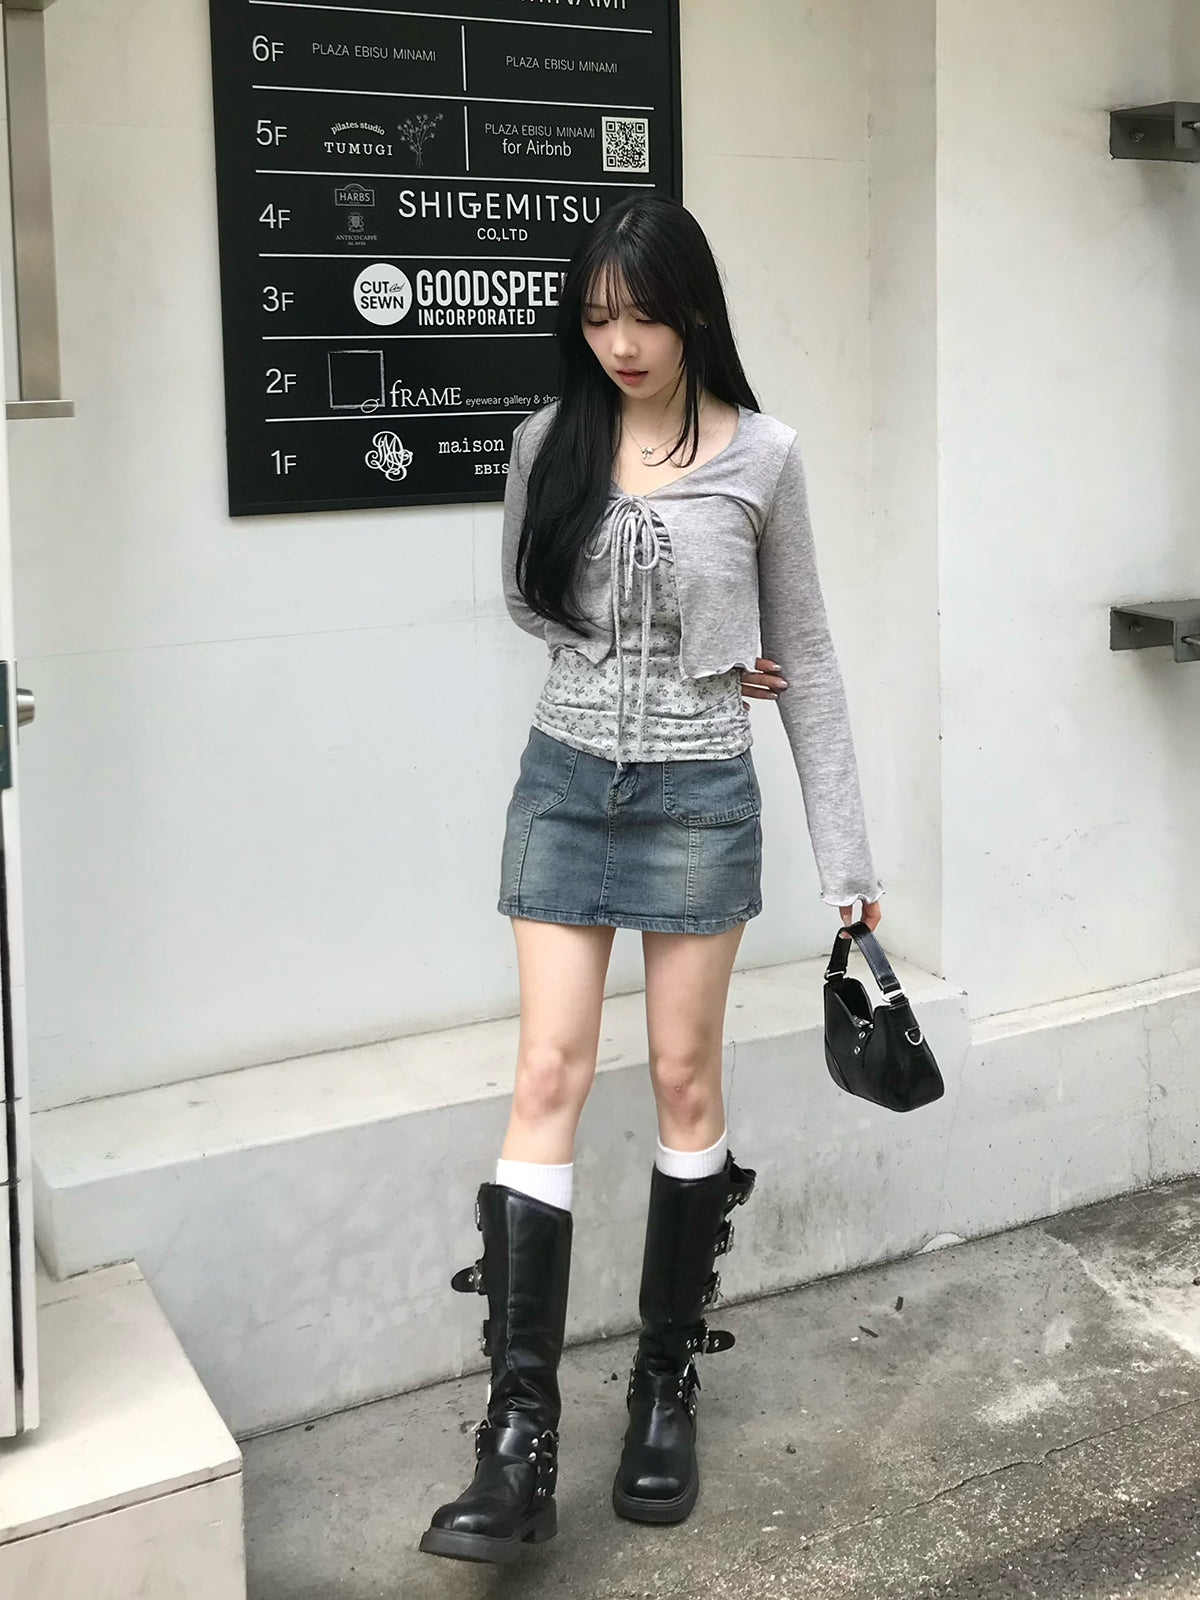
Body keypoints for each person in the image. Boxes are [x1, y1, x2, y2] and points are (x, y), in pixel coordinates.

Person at [419, 192, 882, 1566]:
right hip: (565, 784)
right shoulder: (546, 443)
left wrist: (849, 863)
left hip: (697, 796)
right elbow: (528, 597)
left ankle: (665, 1386)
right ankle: (517, 1439)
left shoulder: (765, 455)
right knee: (546, 1072)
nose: (620, 343)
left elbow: (808, 652)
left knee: (684, 1076)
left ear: (693, 313)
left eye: (644, 316)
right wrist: (624, 642)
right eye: (597, 317)